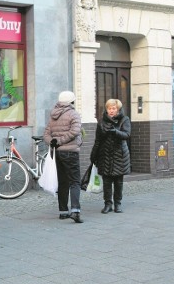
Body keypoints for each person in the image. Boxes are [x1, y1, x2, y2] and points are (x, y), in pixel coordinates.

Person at [43, 90, 84, 223]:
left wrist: (53, 142)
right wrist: (60, 141)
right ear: (72, 101)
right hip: (71, 151)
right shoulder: (74, 114)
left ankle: (63, 212)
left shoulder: (53, 115)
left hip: (57, 153)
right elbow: (75, 131)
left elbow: (46, 134)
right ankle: (76, 211)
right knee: (75, 182)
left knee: (62, 182)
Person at [91, 99, 131, 214]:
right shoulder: (101, 122)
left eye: (114, 108)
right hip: (105, 155)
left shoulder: (124, 119)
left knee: (118, 182)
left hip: (120, 155)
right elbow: (97, 140)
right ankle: (107, 204)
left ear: (118, 109)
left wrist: (115, 132)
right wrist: (93, 155)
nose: (111, 111)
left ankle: (117, 204)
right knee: (107, 182)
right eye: (109, 108)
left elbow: (127, 135)